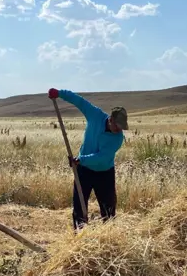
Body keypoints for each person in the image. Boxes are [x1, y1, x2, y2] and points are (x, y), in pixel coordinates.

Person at [48, 87, 127, 230]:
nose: (119, 129)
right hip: (84, 170)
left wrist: (80, 159)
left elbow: (102, 157)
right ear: (110, 120)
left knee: (108, 209)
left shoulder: (118, 138)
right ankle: (79, 236)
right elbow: (79, 101)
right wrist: (59, 93)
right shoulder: (95, 114)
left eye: (122, 127)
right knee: (79, 205)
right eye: (118, 126)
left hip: (104, 172)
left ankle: (109, 238)